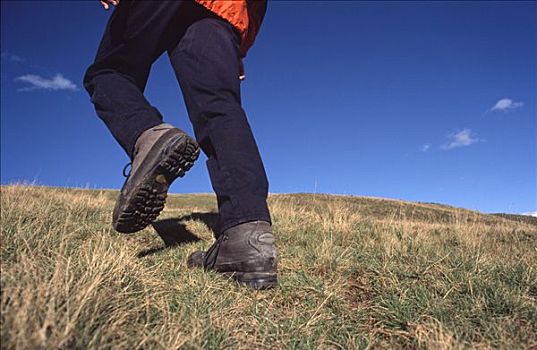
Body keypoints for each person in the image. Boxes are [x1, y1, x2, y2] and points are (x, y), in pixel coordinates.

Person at [84, 0, 277, 290]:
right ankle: (247, 234)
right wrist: (237, 46)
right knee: (219, 107)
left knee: (109, 72)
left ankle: (148, 134)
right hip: (226, 10)